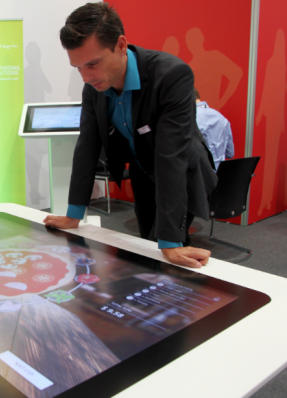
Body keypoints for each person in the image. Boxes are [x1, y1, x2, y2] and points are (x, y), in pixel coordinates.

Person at [45, 3, 218, 269]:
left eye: (92, 64)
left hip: (180, 170)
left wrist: (170, 241)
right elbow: (87, 147)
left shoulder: (171, 75)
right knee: (147, 243)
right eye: (77, 67)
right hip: (142, 169)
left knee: (169, 247)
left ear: (121, 45)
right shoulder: (93, 88)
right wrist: (73, 214)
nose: (86, 77)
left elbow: (171, 156)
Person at [195, 88, 234, 170]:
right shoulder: (222, 118)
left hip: (200, 174)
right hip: (220, 174)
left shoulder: (190, 120)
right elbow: (230, 153)